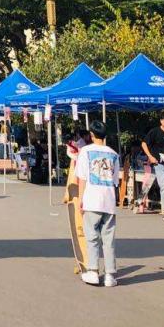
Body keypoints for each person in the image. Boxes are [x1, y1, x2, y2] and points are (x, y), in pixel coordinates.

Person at [75, 120, 120, 287]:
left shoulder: (85, 151)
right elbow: (115, 181)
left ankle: (93, 271)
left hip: (91, 199)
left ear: (92, 135)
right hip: (108, 200)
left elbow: (82, 178)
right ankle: (110, 275)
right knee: (108, 239)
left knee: (92, 237)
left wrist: (81, 199)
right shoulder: (114, 154)